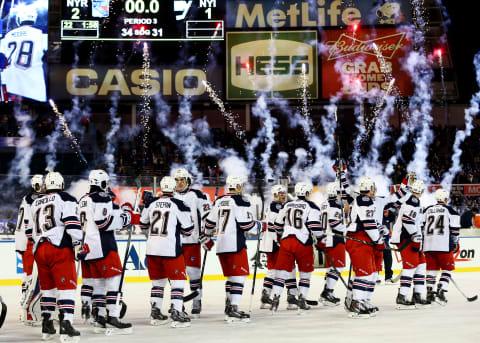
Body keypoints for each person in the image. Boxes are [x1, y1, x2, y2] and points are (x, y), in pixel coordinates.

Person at [24, 171, 82, 341]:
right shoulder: (66, 198)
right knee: (67, 288)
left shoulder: (35, 203)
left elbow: (29, 231)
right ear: (61, 184)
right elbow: (71, 223)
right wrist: (79, 242)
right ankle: (66, 324)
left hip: (39, 250)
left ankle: (47, 324)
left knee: (47, 288)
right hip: (59, 247)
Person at [78, 170, 136, 334]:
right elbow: (103, 223)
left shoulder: (83, 199)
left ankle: (100, 317)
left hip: (88, 248)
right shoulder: (101, 197)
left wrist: (118, 213)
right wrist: (125, 218)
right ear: (102, 183)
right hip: (103, 246)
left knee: (99, 285)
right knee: (114, 282)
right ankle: (113, 316)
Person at [203, 175, 260, 323]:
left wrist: (206, 237)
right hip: (235, 244)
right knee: (239, 277)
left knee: (230, 278)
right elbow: (247, 226)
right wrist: (262, 225)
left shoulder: (219, 201)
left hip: (221, 245)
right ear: (239, 186)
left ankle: (229, 307)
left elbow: (209, 224)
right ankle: (233, 308)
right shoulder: (241, 200)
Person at [139, 176, 194, 328]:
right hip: (170, 249)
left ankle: (155, 312)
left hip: (152, 249)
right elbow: (188, 230)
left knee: (157, 283)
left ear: (161, 188)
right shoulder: (178, 204)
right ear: (174, 188)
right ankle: (176, 312)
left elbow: (142, 225)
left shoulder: (151, 203)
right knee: (178, 281)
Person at [270, 181, 323, 312]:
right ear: (306, 193)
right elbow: (315, 226)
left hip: (286, 241)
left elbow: (277, 225)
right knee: (305, 274)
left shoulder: (287, 204)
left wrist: (284, 234)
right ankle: (301, 299)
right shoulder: (311, 206)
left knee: (281, 273)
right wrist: (321, 239)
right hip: (303, 242)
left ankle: (275, 299)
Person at [172, 168, 212, 317]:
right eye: (176, 180)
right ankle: (178, 303)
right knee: (176, 274)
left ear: (188, 180)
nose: (179, 183)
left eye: (182, 180)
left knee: (194, 273)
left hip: (192, 241)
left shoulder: (198, 195)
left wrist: (206, 232)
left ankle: (197, 300)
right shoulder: (170, 195)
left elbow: (208, 215)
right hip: (174, 242)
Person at [345, 176, 385, 318]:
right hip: (359, 239)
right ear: (371, 188)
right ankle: (356, 302)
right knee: (365, 272)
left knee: (372, 272)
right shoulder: (365, 199)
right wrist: (379, 240)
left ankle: (363, 300)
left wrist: (381, 229)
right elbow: (367, 223)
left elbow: (371, 221)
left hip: (363, 239)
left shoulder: (363, 200)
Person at [390, 180, 430, 309]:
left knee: (421, 264)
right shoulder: (413, 200)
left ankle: (417, 294)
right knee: (410, 266)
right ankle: (402, 296)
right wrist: (415, 235)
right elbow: (407, 220)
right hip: (407, 238)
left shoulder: (411, 199)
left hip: (412, 238)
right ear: (422, 191)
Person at [259, 184, 298, 310]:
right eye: (281, 193)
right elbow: (274, 226)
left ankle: (265, 298)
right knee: (290, 269)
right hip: (275, 243)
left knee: (272, 271)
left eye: (284, 193)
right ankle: (292, 299)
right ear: (275, 194)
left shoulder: (272, 205)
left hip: (269, 243)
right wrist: (280, 242)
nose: (283, 195)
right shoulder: (277, 206)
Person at [0, 6, 47, 102]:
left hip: (10, 85)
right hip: (33, 88)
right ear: (34, 18)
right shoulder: (41, 35)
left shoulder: (7, 36)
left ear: (19, 19)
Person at [422, 188, 460, 306]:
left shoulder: (427, 210)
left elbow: (421, 226)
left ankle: (429, 293)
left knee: (432, 270)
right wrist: (455, 243)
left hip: (428, 245)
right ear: (446, 199)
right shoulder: (451, 211)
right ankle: (441, 290)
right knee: (447, 269)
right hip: (443, 245)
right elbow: (455, 231)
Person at [15, 174, 43, 325]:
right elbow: (29, 225)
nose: (41, 189)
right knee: (31, 277)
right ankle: (26, 308)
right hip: (30, 242)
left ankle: (25, 307)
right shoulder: (33, 200)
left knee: (28, 277)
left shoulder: (26, 199)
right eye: (39, 186)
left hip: (24, 241)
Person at [317, 182, 347, 306]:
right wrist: (347, 229)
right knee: (338, 267)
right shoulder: (335, 205)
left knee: (332, 268)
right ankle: (328, 292)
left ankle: (326, 293)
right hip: (335, 238)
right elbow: (335, 224)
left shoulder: (323, 204)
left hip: (326, 238)